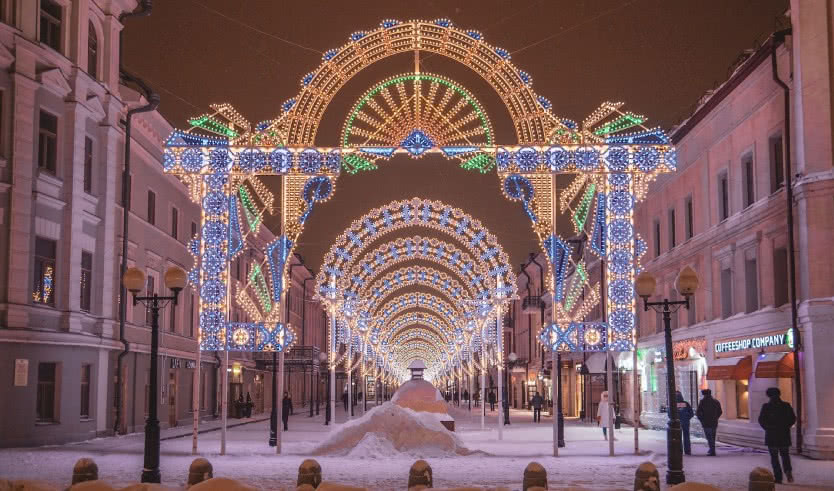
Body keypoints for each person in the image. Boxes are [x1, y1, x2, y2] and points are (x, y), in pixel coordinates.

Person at [758, 387, 796, 484]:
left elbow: (761, 420)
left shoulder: (766, 406)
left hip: (772, 435)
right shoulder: (786, 405)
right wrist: (786, 426)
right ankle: (788, 471)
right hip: (784, 434)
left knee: (774, 458)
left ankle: (778, 477)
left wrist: (768, 428)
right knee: (785, 455)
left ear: (768, 395)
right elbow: (792, 418)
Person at [696, 389, 722, 456]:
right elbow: (720, 412)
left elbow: (698, 412)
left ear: (704, 394)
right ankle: (712, 449)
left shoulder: (702, 402)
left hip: (706, 423)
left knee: (709, 437)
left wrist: (702, 419)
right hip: (714, 422)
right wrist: (716, 417)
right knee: (712, 437)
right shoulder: (716, 401)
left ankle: (712, 451)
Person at [676, 391, 694, 455]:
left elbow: (670, 414)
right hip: (686, 422)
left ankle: (679, 451)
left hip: (677, 424)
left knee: (678, 438)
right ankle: (687, 451)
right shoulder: (686, 403)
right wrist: (687, 418)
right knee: (686, 437)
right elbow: (691, 413)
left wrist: (676, 419)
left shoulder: (673, 404)